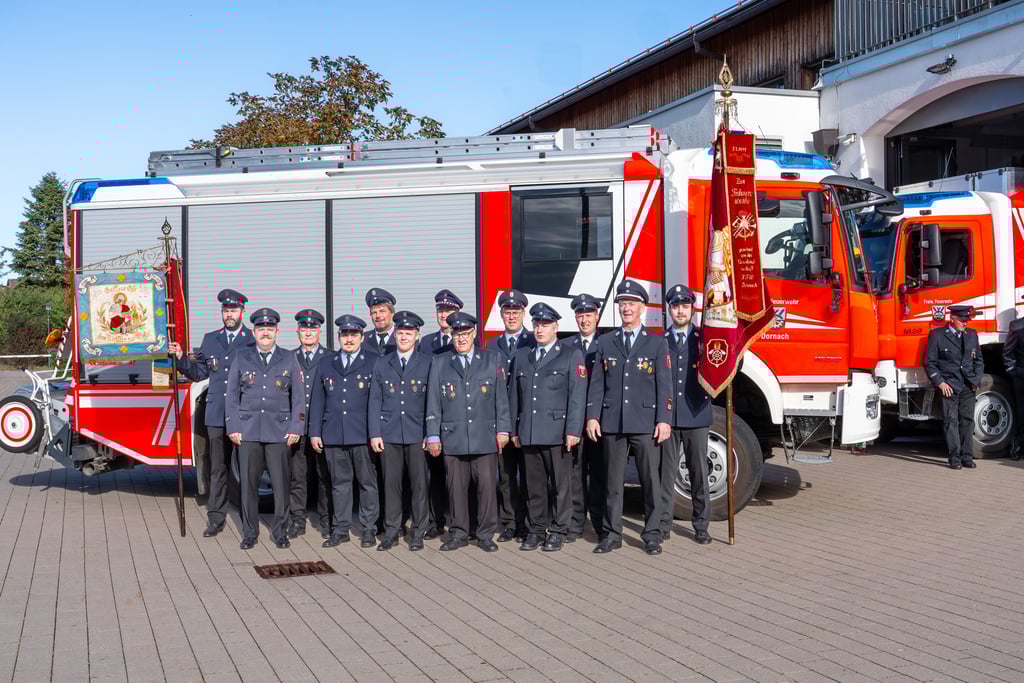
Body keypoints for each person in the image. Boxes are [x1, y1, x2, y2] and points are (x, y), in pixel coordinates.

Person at [585, 279, 672, 555]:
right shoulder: (605, 342)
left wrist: (664, 419)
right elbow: (597, 384)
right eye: (623, 303)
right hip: (612, 422)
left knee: (650, 481)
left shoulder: (657, 344)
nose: (627, 308)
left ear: (642, 308)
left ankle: (653, 534)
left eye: (632, 303)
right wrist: (592, 417)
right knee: (613, 483)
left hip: (645, 423)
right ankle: (612, 535)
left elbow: (665, 386)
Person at [169, 288, 254, 538]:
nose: (229, 314)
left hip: (244, 414)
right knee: (218, 468)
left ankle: (250, 521)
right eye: (226, 310)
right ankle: (216, 518)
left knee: (248, 469)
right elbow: (199, 373)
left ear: (242, 312)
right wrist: (181, 358)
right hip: (217, 414)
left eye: (234, 310)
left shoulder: (252, 340)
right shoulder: (210, 339)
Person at [425, 311, 510, 552]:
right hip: (453, 437)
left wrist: (503, 430)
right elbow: (433, 401)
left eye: (465, 334)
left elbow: (500, 399)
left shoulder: (491, 360)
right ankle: (458, 532)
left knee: (486, 488)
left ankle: (485, 534)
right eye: (457, 334)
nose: (461, 339)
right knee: (456, 489)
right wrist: (433, 435)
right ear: (451, 335)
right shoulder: (440, 363)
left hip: (484, 435)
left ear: (474, 334)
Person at [224, 308, 305, 550]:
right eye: (261, 329)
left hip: (279, 433)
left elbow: (298, 397)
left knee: (281, 486)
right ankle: (250, 533)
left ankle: (280, 532)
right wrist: (233, 426)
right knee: (248, 487)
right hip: (248, 432)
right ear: (254, 332)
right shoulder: (242, 356)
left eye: (270, 329)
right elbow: (232, 396)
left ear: (277, 332)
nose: (266, 333)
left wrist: (296, 427)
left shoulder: (289, 358)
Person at [509, 303, 587, 552]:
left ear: (556, 327)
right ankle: (535, 529)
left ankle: (558, 530)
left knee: (561, 486)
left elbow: (577, 396)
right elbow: (514, 396)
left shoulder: (570, 354)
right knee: (534, 487)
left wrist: (573, 430)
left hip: (557, 432)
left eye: (545, 325)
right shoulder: (523, 355)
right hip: (530, 432)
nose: (540, 330)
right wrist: (514, 429)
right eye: (536, 325)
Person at [310, 315, 381, 548]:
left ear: (362, 337)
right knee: (339, 484)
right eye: (345, 335)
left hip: (362, 434)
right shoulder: (326, 362)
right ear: (339, 337)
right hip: (333, 434)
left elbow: (376, 401)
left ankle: (369, 528)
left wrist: (375, 433)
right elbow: (318, 400)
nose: (349, 339)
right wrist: (315, 432)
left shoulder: (373, 360)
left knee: (367, 484)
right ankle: (340, 529)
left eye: (353, 335)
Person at [368, 311, 433, 551]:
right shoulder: (383, 363)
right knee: (391, 485)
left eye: (409, 333)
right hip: (390, 434)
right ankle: (392, 531)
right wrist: (375, 433)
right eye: (400, 332)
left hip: (418, 434)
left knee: (419, 486)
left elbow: (432, 401)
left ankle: (418, 531)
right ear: (394, 334)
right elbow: (374, 401)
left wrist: (431, 432)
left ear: (418, 335)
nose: (404, 337)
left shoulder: (427, 363)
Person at [661, 284, 712, 545]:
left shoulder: (706, 340)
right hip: (668, 418)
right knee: (666, 473)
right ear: (669, 309)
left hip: (696, 413)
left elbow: (723, 364)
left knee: (698, 472)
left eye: (685, 306)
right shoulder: (660, 341)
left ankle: (701, 525)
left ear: (693, 309)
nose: (680, 311)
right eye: (675, 306)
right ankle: (663, 524)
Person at [487, 288, 534, 542]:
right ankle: (509, 523)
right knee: (505, 476)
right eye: (507, 312)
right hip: (500, 420)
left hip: (525, 417)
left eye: (516, 312)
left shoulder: (532, 341)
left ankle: (527, 523)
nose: (512, 316)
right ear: (501, 314)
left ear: (523, 313)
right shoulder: (492, 344)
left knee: (528, 476)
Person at [416, 288, 463, 537]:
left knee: (461, 475)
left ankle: (467, 521)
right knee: (434, 474)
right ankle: (435, 522)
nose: (444, 314)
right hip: (435, 416)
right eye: (441, 310)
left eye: (449, 310)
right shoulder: (426, 343)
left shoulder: (464, 338)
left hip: (457, 415)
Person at [287, 308, 331, 539]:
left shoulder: (330, 357)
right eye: (304, 329)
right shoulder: (289, 357)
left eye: (312, 329)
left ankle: (325, 519)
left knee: (324, 476)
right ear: (298, 332)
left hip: (321, 428)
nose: (308, 332)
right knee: (298, 477)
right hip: (298, 429)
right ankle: (297, 520)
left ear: (319, 332)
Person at [925, 305, 984, 470]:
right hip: (949, 385)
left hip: (967, 385)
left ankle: (967, 456)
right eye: (962, 320)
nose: (965, 323)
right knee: (951, 421)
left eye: (967, 320)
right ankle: (955, 458)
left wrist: (976, 380)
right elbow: (930, 363)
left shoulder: (972, 335)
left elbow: (978, 360)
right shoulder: (937, 335)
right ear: (952, 319)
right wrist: (940, 383)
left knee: (967, 421)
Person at [568, 292, 602, 541]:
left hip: (599, 421)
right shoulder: (567, 346)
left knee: (600, 474)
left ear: (597, 316)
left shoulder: (608, 343)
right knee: (575, 475)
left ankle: (601, 524)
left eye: (588, 315)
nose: (584, 320)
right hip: (575, 422)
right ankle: (576, 523)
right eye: (580, 315)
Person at [1002, 310, 1024, 460]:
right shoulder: (1017, 326)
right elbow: (1007, 353)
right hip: (1022, 377)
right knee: (1022, 415)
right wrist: (1014, 372)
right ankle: (1018, 446)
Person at [418, 289, 463, 355]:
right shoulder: (426, 342)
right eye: (440, 311)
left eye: (448, 311)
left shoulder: (464, 341)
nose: (443, 315)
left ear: (456, 314)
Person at [364, 288, 397, 356]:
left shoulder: (403, 337)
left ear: (392, 313)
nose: (378, 316)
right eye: (374, 312)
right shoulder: (362, 339)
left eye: (382, 311)